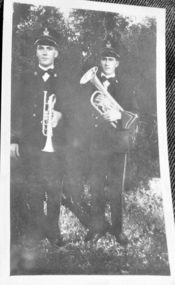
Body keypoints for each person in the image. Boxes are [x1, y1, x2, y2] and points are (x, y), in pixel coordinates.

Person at [76, 37, 140, 245]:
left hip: (118, 143)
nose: (106, 63)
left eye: (110, 59)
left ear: (117, 63)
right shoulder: (89, 85)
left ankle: (118, 230)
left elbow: (136, 114)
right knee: (96, 187)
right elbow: (83, 111)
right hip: (96, 143)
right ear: (100, 61)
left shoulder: (126, 85)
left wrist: (117, 116)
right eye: (103, 59)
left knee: (116, 189)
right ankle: (97, 228)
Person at [10, 27, 68, 250]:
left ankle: (53, 230)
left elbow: (73, 109)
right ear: (36, 52)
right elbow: (16, 110)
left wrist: (60, 114)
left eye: (49, 48)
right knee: (33, 187)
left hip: (56, 143)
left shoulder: (64, 79)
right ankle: (36, 229)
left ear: (56, 53)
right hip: (32, 142)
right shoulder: (24, 77)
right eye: (41, 48)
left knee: (54, 188)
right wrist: (13, 139)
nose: (45, 52)